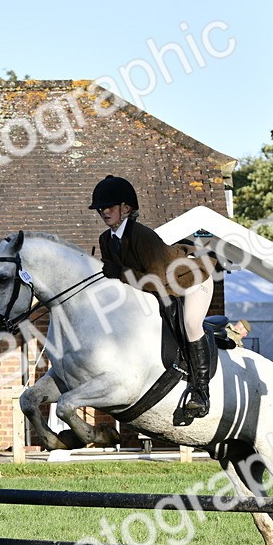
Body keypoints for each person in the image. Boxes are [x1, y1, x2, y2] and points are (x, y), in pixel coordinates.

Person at [89, 175, 216, 417]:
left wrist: (121, 273)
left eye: (109, 207)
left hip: (189, 278)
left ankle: (201, 393)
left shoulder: (141, 236)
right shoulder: (106, 239)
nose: (104, 212)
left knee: (190, 323)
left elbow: (156, 283)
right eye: (100, 208)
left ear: (126, 209)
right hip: (159, 283)